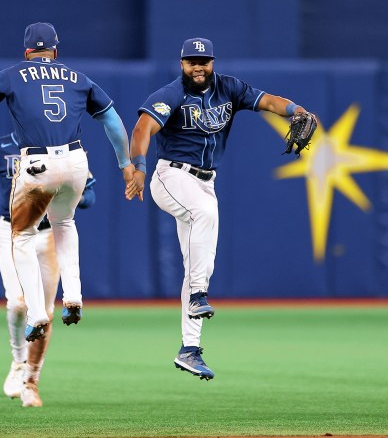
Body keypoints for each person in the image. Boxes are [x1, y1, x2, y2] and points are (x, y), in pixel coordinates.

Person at [128, 38, 317, 381]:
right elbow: (143, 127)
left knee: (200, 261)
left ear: (213, 61)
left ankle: (189, 349)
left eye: (204, 60)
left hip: (205, 182)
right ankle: (200, 294)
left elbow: (270, 101)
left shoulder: (229, 88)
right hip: (171, 175)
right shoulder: (172, 94)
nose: (198, 67)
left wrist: (298, 111)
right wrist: (138, 166)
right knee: (205, 216)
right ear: (181, 63)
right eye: (191, 61)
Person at [0, 22, 134, 342]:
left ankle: (37, 312)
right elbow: (111, 118)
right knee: (65, 223)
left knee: (22, 236)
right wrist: (126, 165)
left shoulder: (13, 74)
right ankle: (73, 296)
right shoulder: (78, 77)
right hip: (75, 160)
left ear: (26, 51)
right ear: (55, 50)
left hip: (38, 162)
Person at [0, 132, 96, 407]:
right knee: (17, 304)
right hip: (12, 230)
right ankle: (18, 361)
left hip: (48, 234)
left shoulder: (60, 148)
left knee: (44, 313)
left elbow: (89, 191)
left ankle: (31, 383)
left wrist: (76, 196)